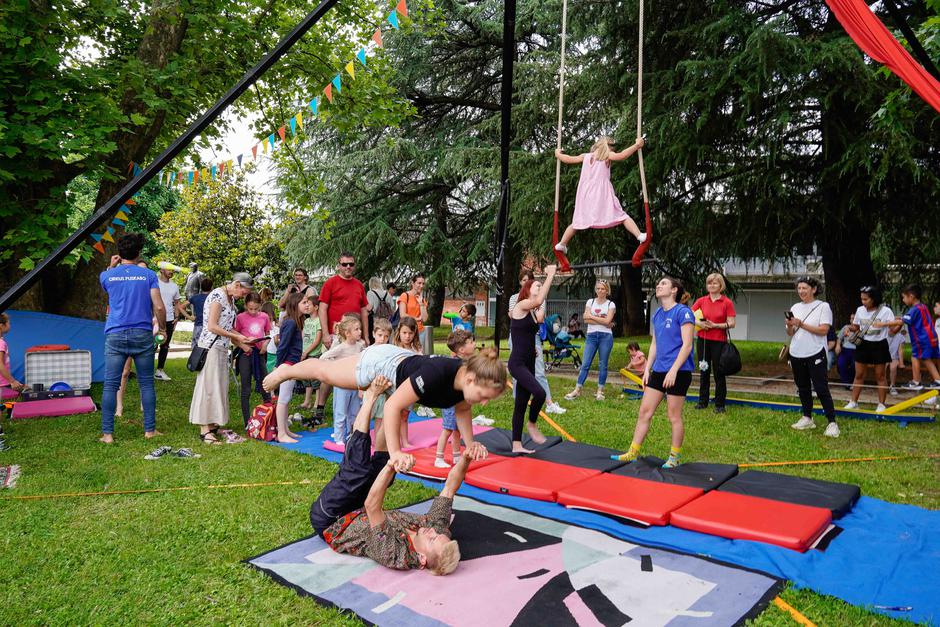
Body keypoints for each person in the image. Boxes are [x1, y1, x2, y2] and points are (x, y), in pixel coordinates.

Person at [263, 345, 507, 473]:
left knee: (331, 372)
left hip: (401, 365)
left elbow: (462, 411)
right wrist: (397, 452)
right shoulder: (437, 375)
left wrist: (470, 441)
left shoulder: (463, 386)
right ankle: (286, 371)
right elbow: (392, 406)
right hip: (382, 364)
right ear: (472, 380)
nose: (484, 403)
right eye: (484, 396)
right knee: (325, 372)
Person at [310, 376, 465, 575]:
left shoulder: (393, 553)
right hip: (359, 508)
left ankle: (370, 397)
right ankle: (389, 403)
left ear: (422, 558)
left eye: (432, 539)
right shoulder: (436, 532)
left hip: (333, 519)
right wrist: (467, 458)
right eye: (437, 533)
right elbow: (449, 488)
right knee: (382, 464)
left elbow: (372, 506)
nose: (433, 532)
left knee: (356, 471)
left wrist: (393, 465)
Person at [612, 277, 695, 467]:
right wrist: (648, 369)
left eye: (664, 284)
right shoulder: (657, 314)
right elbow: (656, 344)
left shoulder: (683, 312)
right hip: (658, 370)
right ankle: (632, 452)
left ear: (674, 290)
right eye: (658, 284)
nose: (659, 285)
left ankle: (674, 458)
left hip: (679, 371)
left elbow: (687, 345)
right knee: (644, 412)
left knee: (673, 416)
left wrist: (673, 370)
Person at [99, 233, 167, 444]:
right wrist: (162, 328)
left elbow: (108, 284)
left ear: (119, 253)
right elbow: (158, 306)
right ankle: (149, 430)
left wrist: (111, 267)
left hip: (115, 334)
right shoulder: (147, 275)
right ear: (139, 253)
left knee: (111, 385)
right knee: (146, 384)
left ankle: (108, 434)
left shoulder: (107, 275)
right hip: (142, 333)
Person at [189, 272, 254, 444]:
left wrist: (242, 342)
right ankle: (204, 430)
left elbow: (227, 327)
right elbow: (212, 326)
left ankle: (212, 424)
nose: (244, 296)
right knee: (208, 387)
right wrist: (238, 338)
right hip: (210, 347)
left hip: (222, 348)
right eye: (244, 292)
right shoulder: (218, 295)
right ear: (237, 284)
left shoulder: (230, 299)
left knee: (218, 386)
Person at [553, 136, 647, 255]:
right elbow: (622, 155)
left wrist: (558, 154)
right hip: (602, 194)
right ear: (608, 147)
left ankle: (562, 244)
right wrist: (637, 145)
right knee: (621, 215)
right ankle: (639, 235)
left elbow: (568, 159)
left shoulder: (585, 156)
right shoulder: (608, 156)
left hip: (585, 195)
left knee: (577, 221)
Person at [509, 264, 558, 453]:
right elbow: (538, 300)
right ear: (527, 289)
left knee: (521, 403)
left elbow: (527, 334)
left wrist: (533, 350)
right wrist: (551, 275)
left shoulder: (530, 312)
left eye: (540, 285)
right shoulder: (521, 306)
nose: (539, 288)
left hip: (528, 361)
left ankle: (516, 445)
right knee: (540, 393)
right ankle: (532, 424)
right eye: (536, 285)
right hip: (518, 363)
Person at [316, 252, 370, 423]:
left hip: (355, 336)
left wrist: (366, 336)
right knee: (328, 371)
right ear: (338, 265)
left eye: (351, 264)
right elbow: (322, 309)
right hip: (336, 335)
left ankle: (352, 409)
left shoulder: (359, 285)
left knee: (355, 370)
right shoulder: (330, 283)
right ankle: (320, 407)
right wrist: (325, 334)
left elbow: (364, 311)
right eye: (345, 264)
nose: (348, 267)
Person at [786, 276, 839, 437]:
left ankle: (832, 422)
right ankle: (807, 417)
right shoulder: (795, 306)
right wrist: (790, 325)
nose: (801, 291)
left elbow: (823, 330)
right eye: (799, 288)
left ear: (814, 289)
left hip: (815, 351)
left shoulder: (823, 307)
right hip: (796, 352)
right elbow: (790, 333)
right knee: (802, 387)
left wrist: (801, 324)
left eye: (805, 288)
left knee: (821, 387)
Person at [508, 268, 565, 415]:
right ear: (522, 283)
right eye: (524, 281)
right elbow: (513, 314)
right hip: (518, 339)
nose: (527, 283)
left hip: (532, 339)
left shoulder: (539, 299)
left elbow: (539, 317)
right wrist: (551, 274)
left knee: (538, 372)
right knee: (518, 375)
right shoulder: (518, 300)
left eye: (532, 282)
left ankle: (548, 403)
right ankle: (519, 402)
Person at [564, 279, 617, 402]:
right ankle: (577, 390)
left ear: (607, 290)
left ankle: (600, 391)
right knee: (585, 364)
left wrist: (593, 317)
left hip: (606, 337)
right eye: (598, 288)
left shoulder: (611, 304)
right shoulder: (590, 302)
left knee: (603, 365)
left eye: (602, 289)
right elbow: (585, 319)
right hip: (591, 336)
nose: (600, 291)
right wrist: (602, 319)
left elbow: (607, 321)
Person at [691, 273, 736, 413]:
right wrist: (699, 323)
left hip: (719, 342)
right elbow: (688, 315)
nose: (711, 285)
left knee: (718, 373)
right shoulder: (701, 300)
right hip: (703, 340)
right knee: (704, 371)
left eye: (715, 283)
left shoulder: (726, 302)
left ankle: (719, 404)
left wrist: (716, 325)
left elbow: (732, 323)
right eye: (709, 283)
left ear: (721, 285)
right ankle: (702, 401)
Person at [844, 286, 893, 412]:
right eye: (862, 299)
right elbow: (856, 326)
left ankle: (881, 404)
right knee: (859, 374)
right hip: (863, 344)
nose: (863, 302)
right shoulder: (860, 310)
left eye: (866, 299)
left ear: (874, 299)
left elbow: (893, 327)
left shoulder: (886, 311)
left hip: (879, 345)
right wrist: (849, 329)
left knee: (880, 376)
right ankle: (853, 402)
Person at [320, 314, 366, 445]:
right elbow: (324, 357)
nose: (360, 332)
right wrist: (334, 369)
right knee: (341, 412)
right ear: (347, 333)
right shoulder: (341, 347)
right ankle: (339, 438)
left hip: (355, 385)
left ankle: (351, 435)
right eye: (357, 329)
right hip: (341, 386)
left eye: (360, 329)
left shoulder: (360, 346)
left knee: (354, 413)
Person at [435, 329, 477, 468]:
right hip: (450, 403)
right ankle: (439, 457)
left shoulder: (466, 362)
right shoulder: (455, 364)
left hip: (458, 403)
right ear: (462, 349)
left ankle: (456, 455)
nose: (474, 344)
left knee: (457, 430)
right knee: (447, 429)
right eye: (471, 342)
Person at [234, 292, 272, 427]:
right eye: (250, 308)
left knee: (265, 384)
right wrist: (243, 346)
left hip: (260, 353)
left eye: (256, 308)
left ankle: (269, 418)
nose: (253, 311)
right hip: (246, 354)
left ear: (260, 306)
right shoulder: (240, 318)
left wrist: (265, 346)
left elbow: (268, 334)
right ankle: (247, 421)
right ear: (245, 306)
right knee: (246, 388)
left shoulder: (264, 317)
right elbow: (234, 336)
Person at [891, 284, 940, 391]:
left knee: (919, 358)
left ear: (911, 296)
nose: (903, 300)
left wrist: (882, 324)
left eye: (904, 297)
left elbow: (901, 321)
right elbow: (904, 318)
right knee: (923, 358)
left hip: (921, 339)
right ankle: (936, 380)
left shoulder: (914, 310)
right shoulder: (922, 307)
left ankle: (916, 381)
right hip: (930, 338)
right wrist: (897, 317)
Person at [273, 292, 307, 444]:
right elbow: (282, 345)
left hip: (291, 364)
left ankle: (285, 429)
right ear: (295, 305)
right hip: (286, 364)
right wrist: (278, 367)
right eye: (304, 302)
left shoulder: (296, 322)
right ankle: (281, 433)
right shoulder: (291, 323)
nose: (307, 305)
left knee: (286, 399)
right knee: (283, 399)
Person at [299, 295, 323, 413]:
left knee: (315, 381)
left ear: (316, 307)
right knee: (306, 379)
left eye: (309, 304)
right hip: (305, 353)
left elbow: (317, 340)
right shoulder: (307, 320)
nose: (306, 306)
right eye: (305, 303)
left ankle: (317, 402)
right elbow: (303, 336)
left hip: (314, 354)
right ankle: (307, 401)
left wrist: (307, 352)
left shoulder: (319, 321)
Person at [397, 273, 429, 346]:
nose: (421, 286)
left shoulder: (423, 299)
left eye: (423, 283)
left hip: (419, 332)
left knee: (418, 355)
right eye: (419, 283)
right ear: (412, 283)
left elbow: (424, 319)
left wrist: (421, 303)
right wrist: (417, 319)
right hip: (407, 332)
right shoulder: (405, 296)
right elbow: (403, 315)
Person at [0, 313, 27, 400]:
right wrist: (12, 381)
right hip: (2, 383)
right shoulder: (1, 343)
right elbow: (0, 364)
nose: (10, 325)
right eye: (9, 323)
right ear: (1, 326)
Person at [366, 278, 395, 343]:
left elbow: (369, 308)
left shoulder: (370, 293)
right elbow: (392, 307)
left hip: (374, 321)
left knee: (374, 340)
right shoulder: (387, 293)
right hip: (386, 321)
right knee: (385, 339)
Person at [189, 277, 213, 349]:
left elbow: (181, 307)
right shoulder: (213, 298)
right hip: (209, 326)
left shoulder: (195, 297)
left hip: (198, 326)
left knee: (195, 348)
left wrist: (190, 317)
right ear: (211, 287)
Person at [835, 314, 857, 389]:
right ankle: (847, 384)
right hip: (845, 349)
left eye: (854, 318)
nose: (852, 320)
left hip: (856, 351)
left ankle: (850, 382)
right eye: (851, 318)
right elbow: (839, 338)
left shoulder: (861, 329)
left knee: (854, 365)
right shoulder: (845, 327)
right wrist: (838, 345)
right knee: (841, 364)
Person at [887, 325, 906, 396]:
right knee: (882, 368)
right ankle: (883, 386)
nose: (896, 327)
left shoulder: (900, 337)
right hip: (884, 356)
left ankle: (892, 386)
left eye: (898, 326)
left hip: (894, 357)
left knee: (893, 368)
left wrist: (901, 363)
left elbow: (900, 350)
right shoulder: (884, 334)